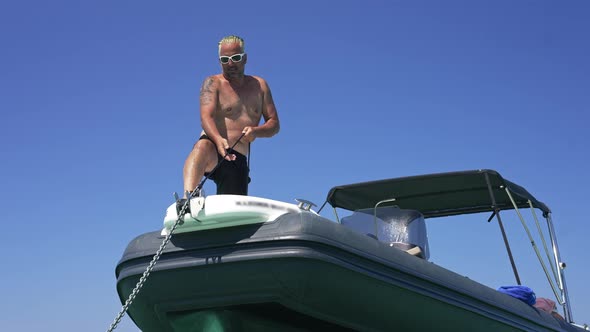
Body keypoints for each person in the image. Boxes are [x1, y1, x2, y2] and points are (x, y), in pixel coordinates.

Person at [182, 35, 280, 197]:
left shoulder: (260, 86)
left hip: (237, 158)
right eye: (225, 59)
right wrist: (218, 139)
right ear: (219, 61)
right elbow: (206, 117)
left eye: (235, 58)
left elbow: (274, 124)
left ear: (245, 58)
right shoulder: (212, 83)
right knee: (201, 147)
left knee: (234, 204)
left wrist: (257, 131)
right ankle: (189, 197)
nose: (230, 63)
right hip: (213, 147)